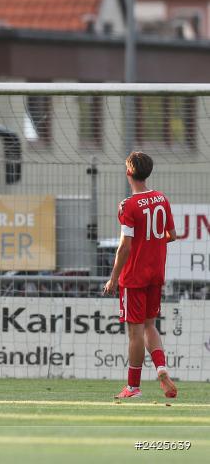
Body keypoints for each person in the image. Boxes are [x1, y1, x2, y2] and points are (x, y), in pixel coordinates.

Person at [103, 151, 177, 400]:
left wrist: (113, 278)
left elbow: (125, 246)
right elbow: (172, 235)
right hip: (156, 273)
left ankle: (133, 387)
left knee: (135, 333)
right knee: (150, 326)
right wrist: (152, 243)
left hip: (134, 276)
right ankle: (161, 367)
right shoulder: (161, 199)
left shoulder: (128, 206)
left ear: (128, 172)